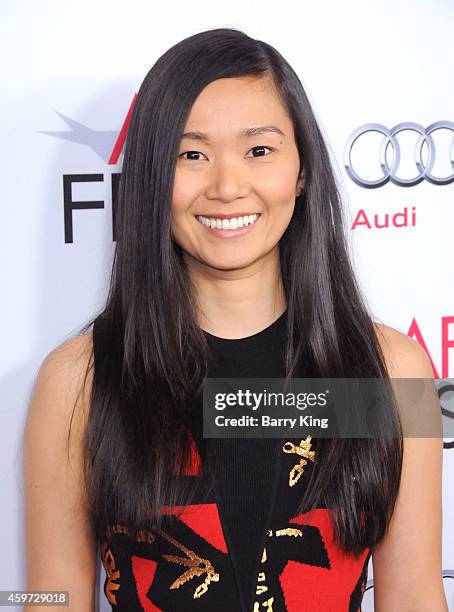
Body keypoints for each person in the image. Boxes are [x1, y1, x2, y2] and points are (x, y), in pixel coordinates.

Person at [23, 27, 447, 611]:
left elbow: (415, 598)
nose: (227, 187)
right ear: (150, 179)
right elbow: (49, 600)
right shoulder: (80, 382)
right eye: (190, 154)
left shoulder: (389, 377)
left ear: (301, 171)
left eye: (259, 150)